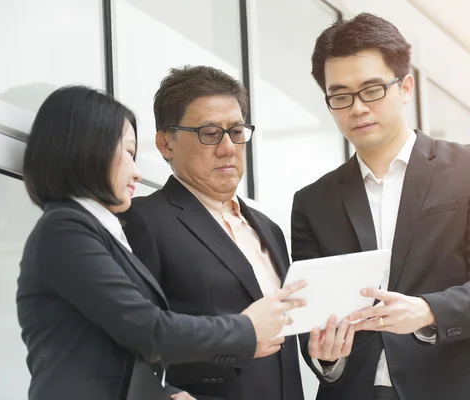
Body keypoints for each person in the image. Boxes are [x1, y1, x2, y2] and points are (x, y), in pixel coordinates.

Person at [17, 85, 306, 400]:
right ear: (86, 150)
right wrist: (246, 330)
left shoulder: (93, 230)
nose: (138, 172)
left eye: (236, 131)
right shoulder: (65, 230)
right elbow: (150, 330)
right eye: (128, 153)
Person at [291, 13, 470, 400]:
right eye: (340, 96)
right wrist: (324, 356)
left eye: (372, 90)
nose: (358, 108)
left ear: (406, 86)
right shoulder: (313, 202)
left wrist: (426, 311)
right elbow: (310, 315)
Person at [120, 66, 315, 400]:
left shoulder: (269, 229)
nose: (228, 148)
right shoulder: (142, 221)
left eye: (236, 131)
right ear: (166, 142)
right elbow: (131, 341)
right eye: (209, 133)